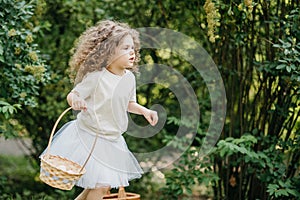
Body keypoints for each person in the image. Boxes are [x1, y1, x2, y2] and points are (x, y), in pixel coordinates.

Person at [41, 20, 158, 200]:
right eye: (125, 48)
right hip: (90, 136)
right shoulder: (97, 77)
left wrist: (144, 111)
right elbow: (73, 94)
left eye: (133, 48)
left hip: (112, 140)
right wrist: (77, 100)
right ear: (109, 51)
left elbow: (128, 103)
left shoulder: (129, 79)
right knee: (101, 186)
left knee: (96, 187)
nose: (132, 52)